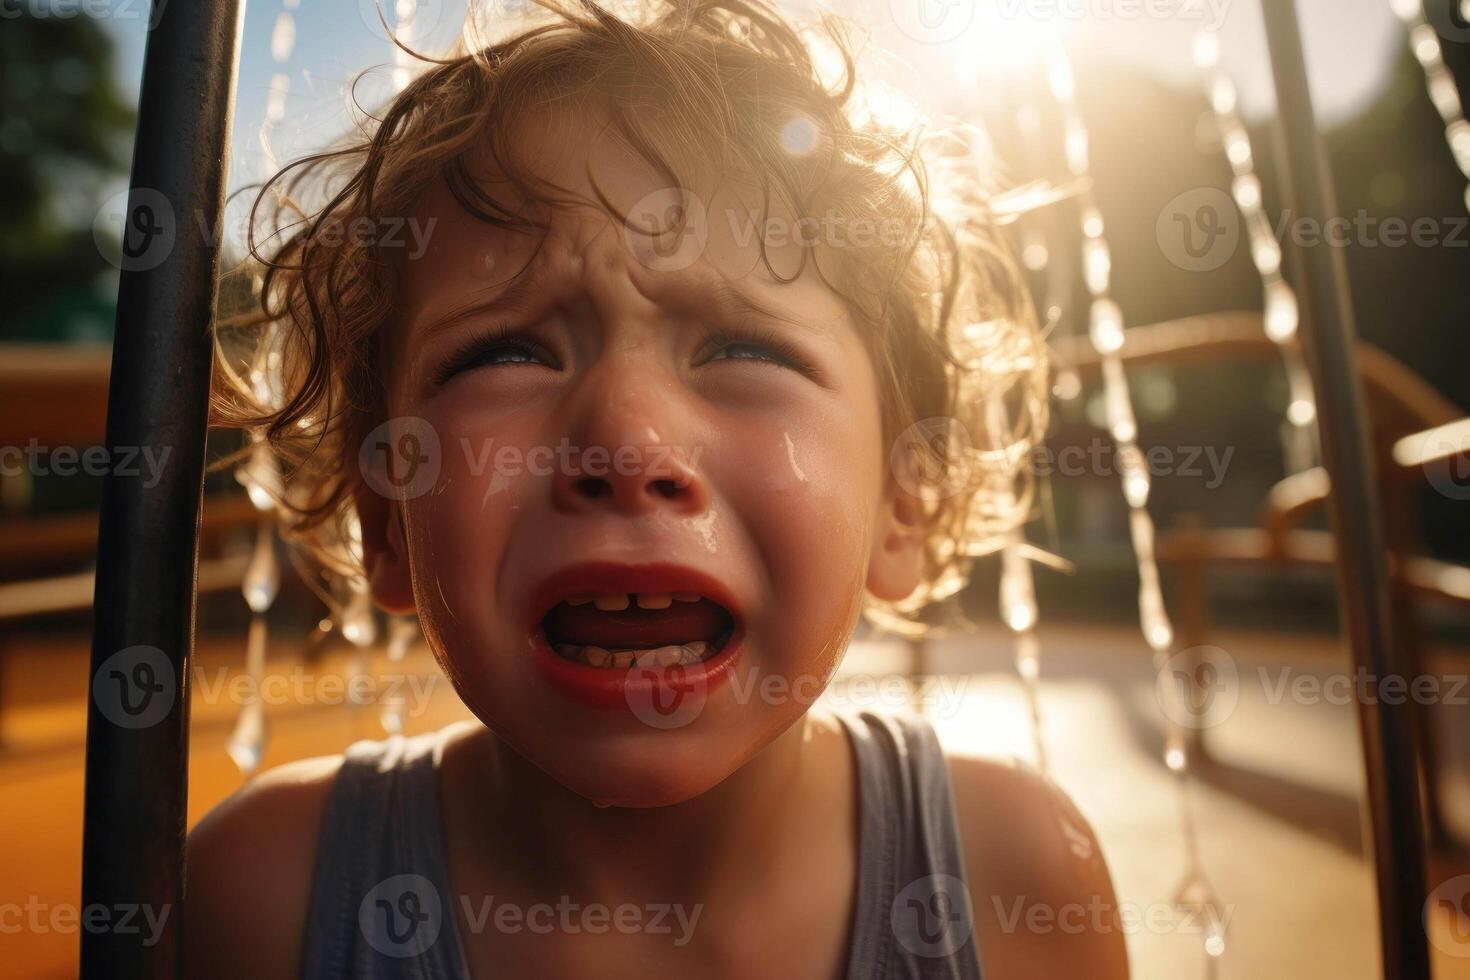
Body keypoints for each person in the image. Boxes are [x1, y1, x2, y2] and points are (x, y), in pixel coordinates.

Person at [187, 1, 1128, 976]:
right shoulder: (267, 897)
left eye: (744, 347)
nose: (627, 443)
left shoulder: (1010, 874)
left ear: (902, 501)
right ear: (386, 514)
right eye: (507, 351)